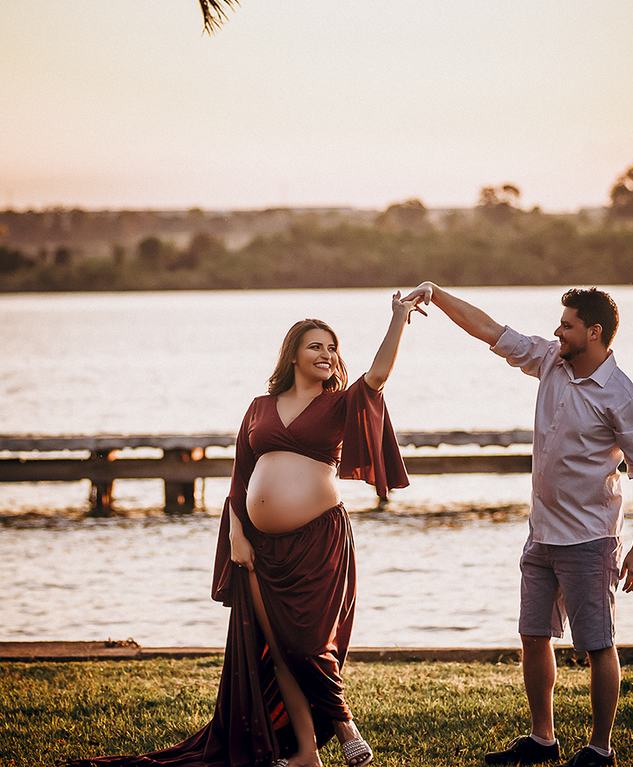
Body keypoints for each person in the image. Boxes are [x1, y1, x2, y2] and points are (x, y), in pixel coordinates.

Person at [67, 293, 419, 767]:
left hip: (319, 541)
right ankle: (306, 754)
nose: (326, 354)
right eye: (316, 346)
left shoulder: (339, 404)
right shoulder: (259, 407)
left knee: (309, 643)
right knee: (277, 648)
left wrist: (398, 318)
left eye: (332, 348)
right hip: (258, 546)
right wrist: (237, 534)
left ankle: (344, 724)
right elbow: (239, 478)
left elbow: (378, 374)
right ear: (292, 355)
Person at [402, 283, 633, 767]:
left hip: (591, 539)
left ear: (594, 332)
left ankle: (600, 750)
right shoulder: (549, 361)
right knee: (534, 635)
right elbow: (488, 329)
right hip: (541, 535)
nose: (557, 331)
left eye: (567, 324)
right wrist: (435, 293)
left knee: (598, 644)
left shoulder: (623, 397)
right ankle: (543, 740)